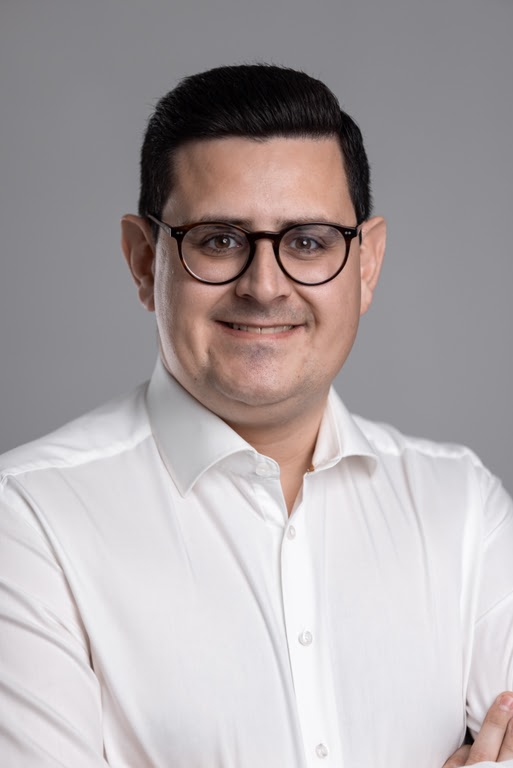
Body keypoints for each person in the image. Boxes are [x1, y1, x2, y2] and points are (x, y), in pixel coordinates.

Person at [0, 63, 512, 768]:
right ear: (144, 261)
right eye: (218, 239)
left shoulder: (463, 509)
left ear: (365, 266)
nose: (265, 287)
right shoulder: (28, 521)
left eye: (308, 241)